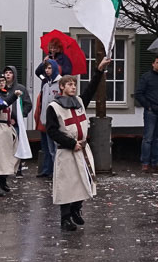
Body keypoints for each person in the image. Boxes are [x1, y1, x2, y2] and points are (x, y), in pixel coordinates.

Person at [45, 59, 110, 231]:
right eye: (70, 84)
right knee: (68, 185)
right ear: (62, 87)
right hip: (67, 151)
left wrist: (99, 70)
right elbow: (52, 131)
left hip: (83, 149)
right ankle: (65, 218)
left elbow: (92, 88)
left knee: (85, 181)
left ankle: (76, 210)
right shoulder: (54, 107)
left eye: (74, 84)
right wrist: (70, 143)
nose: (73, 87)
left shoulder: (79, 102)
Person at [134, 56, 158, 172]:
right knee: (148, 138)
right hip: (151, 111)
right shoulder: (146, 77)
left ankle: (156, 162)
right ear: (153, 64)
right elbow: (139, 93)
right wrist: (148, 106)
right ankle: (145, 163)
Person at [34, 59, 62, 179]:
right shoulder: (45, 84)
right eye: (46, 68)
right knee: (50, 150)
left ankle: (59, 172)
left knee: (57, 149)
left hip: (56, 123)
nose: (47, 70)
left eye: (49, 68)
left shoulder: (61, 83)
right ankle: (53, 171)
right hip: (46, 122)